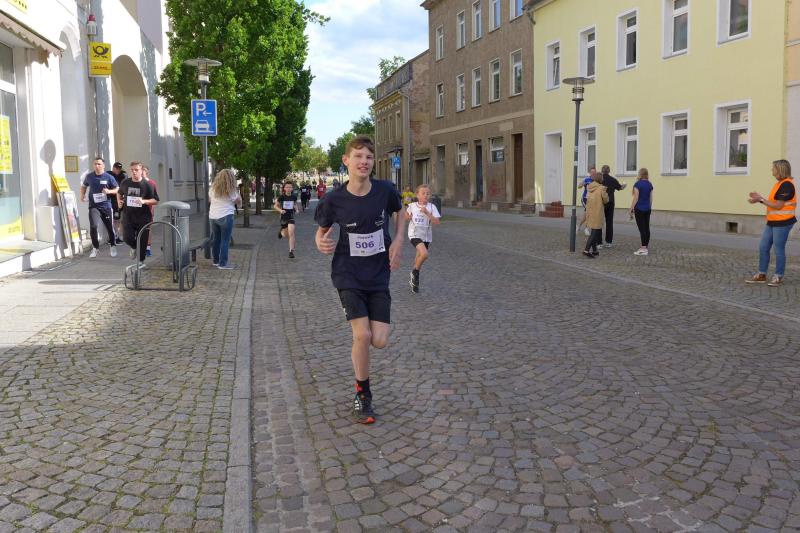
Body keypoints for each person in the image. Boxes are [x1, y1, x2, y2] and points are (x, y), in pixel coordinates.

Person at [314, 135, 404, 425]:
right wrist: (320, 242)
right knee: (362, 335)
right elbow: (321, 231)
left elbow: (399, 211)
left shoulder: (385, 191)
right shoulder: (334, 199)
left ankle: (362, 381)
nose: (364, 161)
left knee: (379, 340)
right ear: (346, 161)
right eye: (358, 156)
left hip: (378, 275)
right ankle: (362, 394)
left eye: (368, 157)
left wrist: (398, 240)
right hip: (348, 274)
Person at [745, 159, 796, 286]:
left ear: (780, 170)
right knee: (763, 247)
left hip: (783, 222)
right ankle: (761, 275)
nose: (771, 170)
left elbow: (778, 206)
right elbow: (773, 203)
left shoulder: (787, 185)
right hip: (773, 221)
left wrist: (760, 199)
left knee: (778, 249)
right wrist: (759, 199)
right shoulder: (779, 184)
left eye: (773, 168)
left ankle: (778, 276)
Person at [117, 161, 158, 267]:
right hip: (128, 216)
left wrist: (144, 201)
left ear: (141, 170)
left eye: (136, 170)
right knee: (127, 238)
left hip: (143, 217)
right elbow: (119, 193)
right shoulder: (125, 182)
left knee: (143, 240)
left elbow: (155, 200)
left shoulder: (148, 184)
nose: (134, 172)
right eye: (132, 170)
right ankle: (134, 247)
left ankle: (141, 261)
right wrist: (119, 202)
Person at [80, 157, 119, 258]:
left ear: (103, 165)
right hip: (93, 206)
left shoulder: (109, 177)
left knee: (109, 227)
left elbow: (117, 189)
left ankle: (113, 245)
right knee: (93, 226)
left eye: (99, 164)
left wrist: (109, 191)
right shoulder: (89, 176)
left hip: (106, 206)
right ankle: (95, 248)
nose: (97, 166)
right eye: (95, 164)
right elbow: (84, 186)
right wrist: (82, 195)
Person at [406, 184, 441, 292]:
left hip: (426, 236)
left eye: (428, 193)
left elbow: (437, 222)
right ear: (417, 195)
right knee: (424, 254)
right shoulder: (412, 206)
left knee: (419, 258)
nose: (426, 195)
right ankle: (415, 272)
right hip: (414, 234)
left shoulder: (432, 207)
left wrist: (427, 213)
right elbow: (405, 216)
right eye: (423, 193)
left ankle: (414, 279)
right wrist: (408, 217)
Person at [209, 168, 242, 270]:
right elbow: (238, 202)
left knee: (216, 239)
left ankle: (216, 261)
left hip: (213, 216)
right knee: (225, 240)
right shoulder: (231, 190)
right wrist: (238, 197)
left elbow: (210, 200)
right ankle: (223, 264)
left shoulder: (212, 189)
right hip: (226, 216)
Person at [582, 171, 609, 258]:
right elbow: (606, 200)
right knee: (595, 231)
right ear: (600, 179)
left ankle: (594, 250)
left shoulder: (590, 187)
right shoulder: (602, 188)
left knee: (594, 230)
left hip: (590, 210)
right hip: (597, 211)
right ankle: (586, 250)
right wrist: (606, 192)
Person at [599, 165, 626, 248]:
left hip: (601, 203)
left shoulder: (599, 180)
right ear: (609, 171)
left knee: (599, 222)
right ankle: (609, 242)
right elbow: (620, 188)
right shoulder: (613, 180)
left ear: (602, 171)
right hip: (610, 203)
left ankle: (599, 243)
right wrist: (624, 185)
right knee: (609, 222)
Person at [630, 168, 654, 256]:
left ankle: (643, 249)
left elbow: (636, 197)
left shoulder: (637, 184)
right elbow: (651, 198)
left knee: (642, 229)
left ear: (640, 174)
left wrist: (631, 208)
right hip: (647, 208)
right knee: (647, 228)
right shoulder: (649, 184)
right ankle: (645, 247)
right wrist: (649, 207)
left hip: (639, 209)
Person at [275, 182, 298, 259]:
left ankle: (291, 251)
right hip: (283, 218)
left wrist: (297, 209)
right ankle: (281, 233)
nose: (288, 189)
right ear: (284, 188)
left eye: (290, 187)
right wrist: (280, 210)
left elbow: (295, 204)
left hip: (291, 217)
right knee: (286, 234)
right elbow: (275, 206)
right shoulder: (281, 197)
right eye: (287, 187)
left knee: (291, 232)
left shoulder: (294, 197)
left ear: (292, 188)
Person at [141, 164, 158, 256]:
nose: (141, 172)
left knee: (148, 228)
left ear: (146, 172)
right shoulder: (135, 182)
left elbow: (154, 198)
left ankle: (148, 248)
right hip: (137, 211)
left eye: (143, 170)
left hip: (148, 210)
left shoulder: (151, 183)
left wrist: (152, 210)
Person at [109, 162, 127, 244]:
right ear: (113, 168)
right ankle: (114, 237)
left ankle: (117, 236)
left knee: (119, 219)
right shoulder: (108, 174)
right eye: (116, 168)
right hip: (111, 200)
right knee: (114, 219)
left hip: (120, 200)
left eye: (119, 168)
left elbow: (124, 186)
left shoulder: (123, 175)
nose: (118, 170)